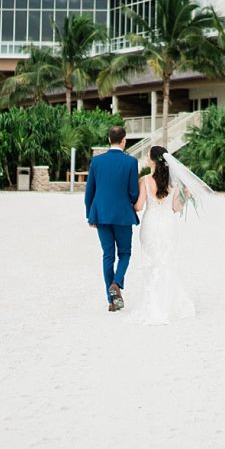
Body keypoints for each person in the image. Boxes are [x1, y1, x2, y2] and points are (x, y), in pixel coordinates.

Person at [126, 146, 211, 326]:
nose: (146, 158)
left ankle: (153, 302)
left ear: (153, 160)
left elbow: (139, 207)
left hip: (150, 225)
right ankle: (168, 301)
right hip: (167, 225)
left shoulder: (145, 181)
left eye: (148, 156)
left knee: (151, 262)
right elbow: (175, 208)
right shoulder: (173, 183)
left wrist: (126, 201)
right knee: (166, 261)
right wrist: (186, 196)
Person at [84, 125, 140, 313]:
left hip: (101, 214)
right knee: (124, 253)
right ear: (124, 140)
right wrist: (130, 201)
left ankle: (111, 300)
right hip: (123, 215)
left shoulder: (97, 161)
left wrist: (89, 215)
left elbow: (89, 191)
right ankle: (116, 284)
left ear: (109, 140)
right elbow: (133, 193)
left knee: (108, 255)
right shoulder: (131, 162)